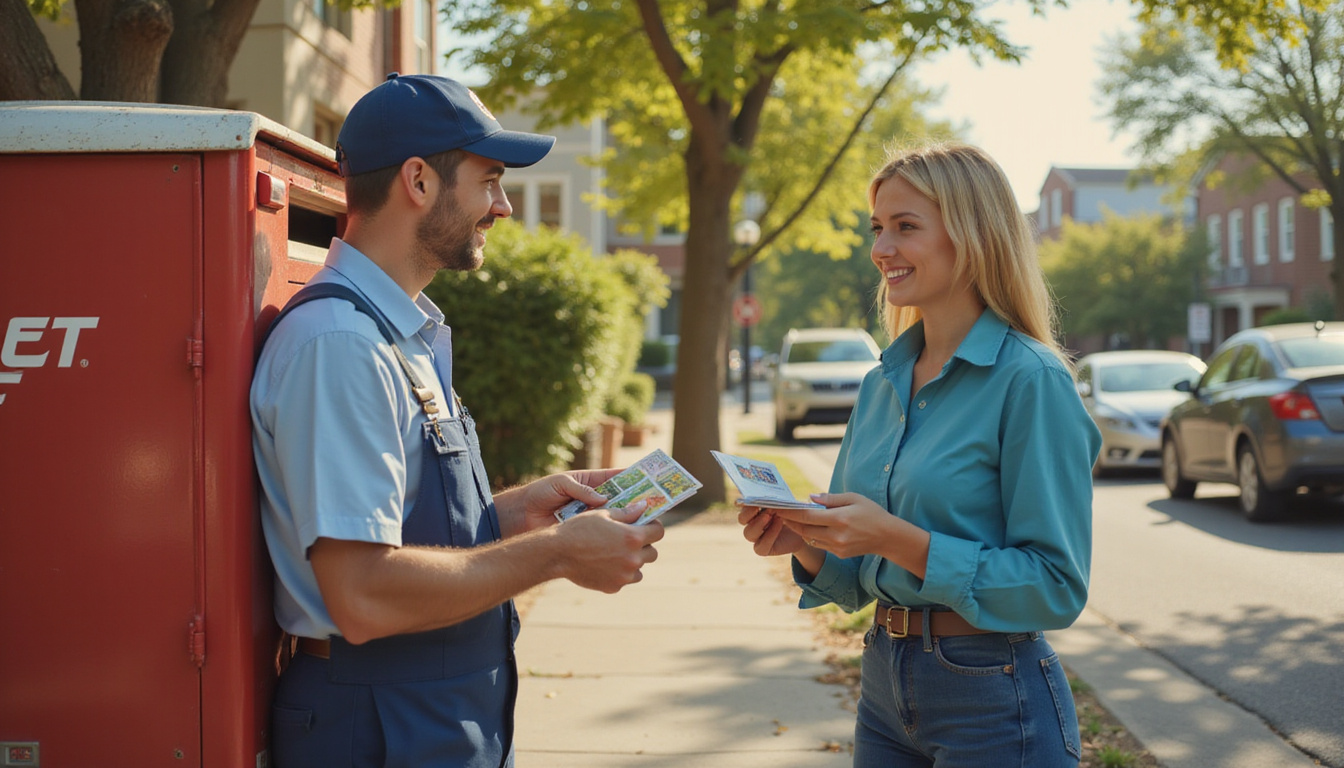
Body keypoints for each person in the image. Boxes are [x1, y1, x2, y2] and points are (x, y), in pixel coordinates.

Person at [252, 73, 664, 768]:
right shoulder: (343, 347)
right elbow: (361, 594)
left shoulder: (392, 333)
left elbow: (397, 526)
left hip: (424, 717)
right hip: (378, 726)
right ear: (418, 181)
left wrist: (513, 515)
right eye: (491, 179)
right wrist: (557, 553)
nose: (502, 207)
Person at [738, 141, 1101, 767]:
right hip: (884, 680)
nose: (882, 249)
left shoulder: (1031, 380)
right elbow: (855, 580)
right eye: (878, 228)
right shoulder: (883, 382)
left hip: (994, 696)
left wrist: (894, 538)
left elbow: (1056, 587)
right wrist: (801, 538)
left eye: (906, 227)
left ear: (974, 234)